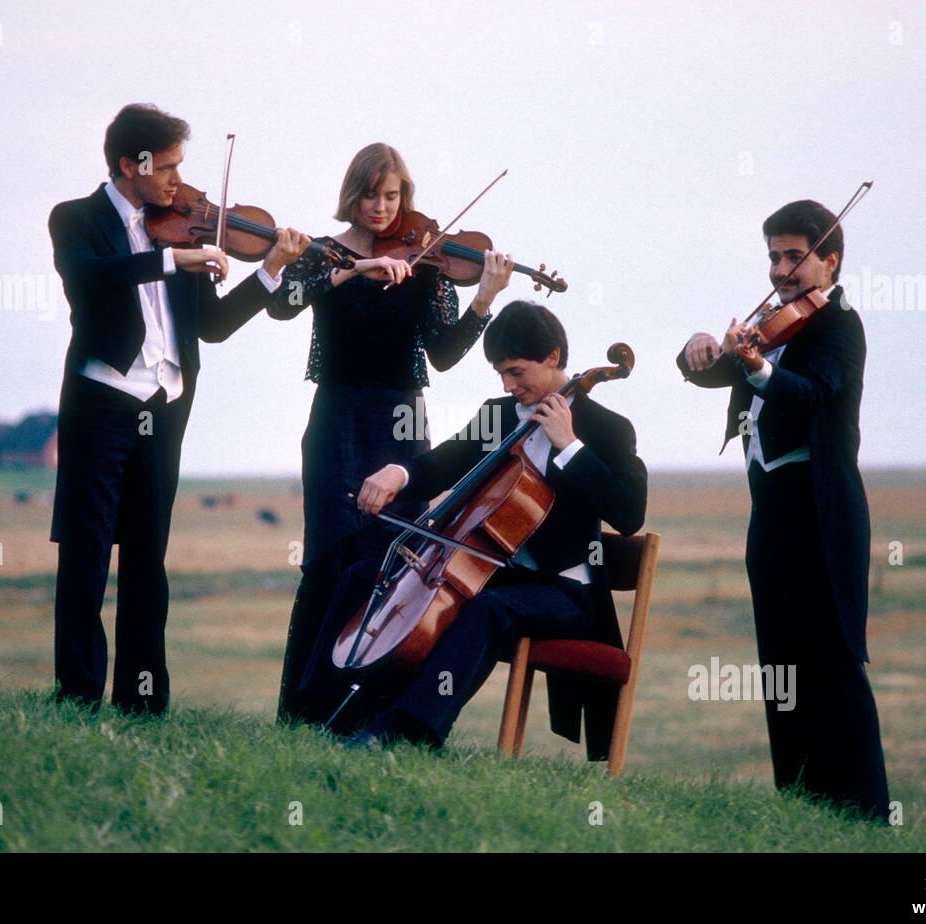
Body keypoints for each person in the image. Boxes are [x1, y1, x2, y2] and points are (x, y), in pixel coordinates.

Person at [49, 103, 308, 716]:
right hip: (102, 401)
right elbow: (88, 277)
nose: (175, 181)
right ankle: (77, 696)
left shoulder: (184, 226)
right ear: (128, 164)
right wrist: (172, 260)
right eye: (165, 168)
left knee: (147, 557)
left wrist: (271, 269)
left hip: (165, 408)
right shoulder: (76, 219)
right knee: (86, 553)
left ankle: (144, 703)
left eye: (180, 167)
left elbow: (212, 327)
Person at [298, 301, 648, 754]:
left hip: (564, 593)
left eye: (518, 372)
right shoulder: (497, 414)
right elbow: (445, 464)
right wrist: (398, 475)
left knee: (489, 609)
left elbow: (629, 512)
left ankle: (406, 731)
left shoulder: (608, 429)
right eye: (501, 373)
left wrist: (570, 446)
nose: (509, 385)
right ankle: (315, 711)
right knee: (365, 574)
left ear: (554, 358)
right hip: (493, 572)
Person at [269, 142, 515, 723]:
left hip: (403, 422)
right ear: (351, 195)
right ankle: (305, 709)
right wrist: (353, 269)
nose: (381, 207)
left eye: (392, 195)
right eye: (370, 195)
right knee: (329, 556)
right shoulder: (324, 254)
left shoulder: (427, 259)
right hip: (336, 419)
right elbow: (283, 304)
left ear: (404, 197)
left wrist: (484, 296)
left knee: (394, 559)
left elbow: (447, 353)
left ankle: (371, 711)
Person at [676, 199, 889, 821]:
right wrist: (696, 349)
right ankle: (801, 803)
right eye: (774, 256)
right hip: (769, 515)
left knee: (834, 665)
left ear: (830, 260)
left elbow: (812, 393)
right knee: (781, 667)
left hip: (820, 515)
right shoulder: (770, 321)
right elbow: (714, 372)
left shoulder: (839, 325)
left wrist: (757, 367)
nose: (781, 270)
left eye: (796, 257)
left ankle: (867, 814)